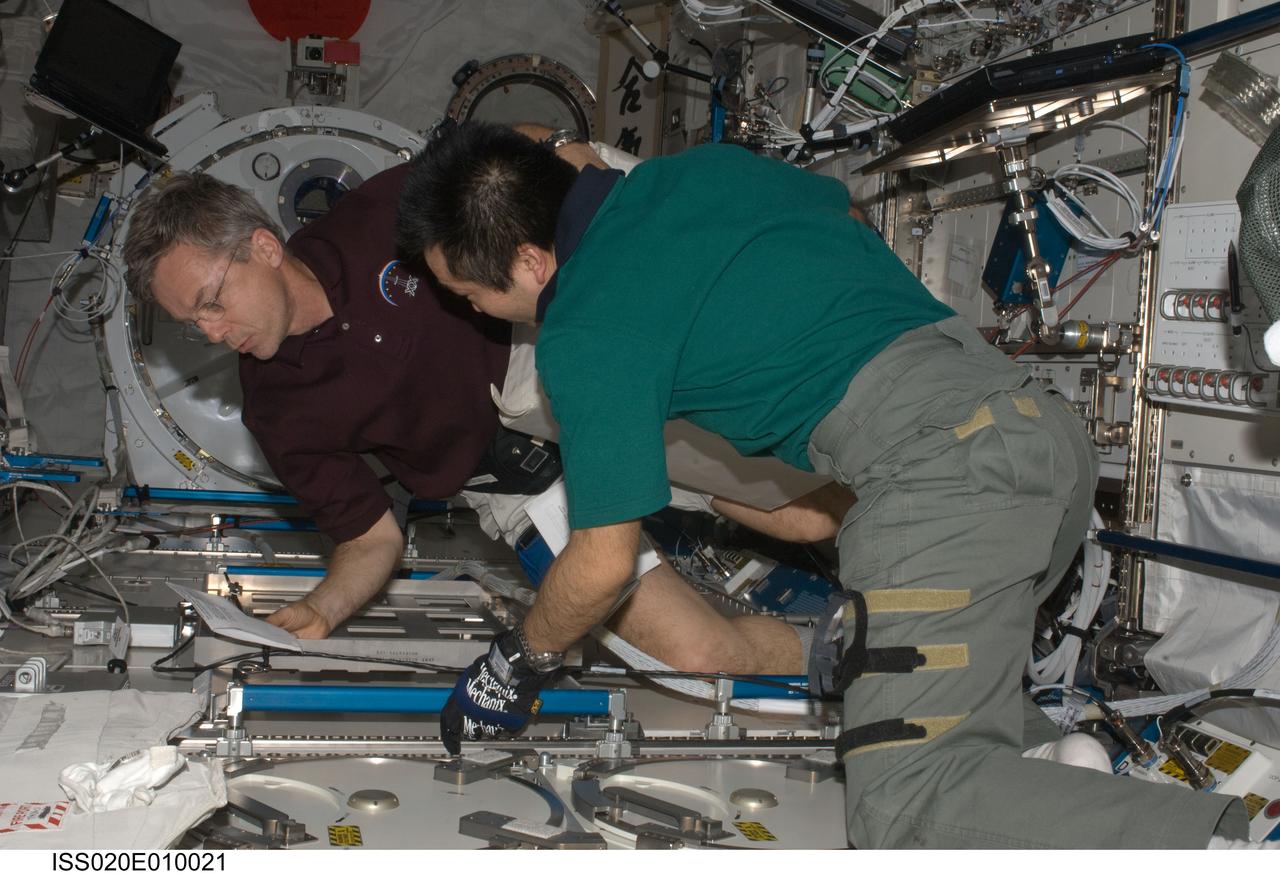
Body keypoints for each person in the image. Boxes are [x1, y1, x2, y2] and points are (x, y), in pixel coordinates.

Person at [397, 121, 1250, 848]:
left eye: (468, 292)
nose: (470, 311)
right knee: (981, 724)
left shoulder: (583, 329)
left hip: (944, 476)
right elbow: (840, 215)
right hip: (1038, 434)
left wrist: (517, 664)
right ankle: (1073, 779)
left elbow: (602, 561)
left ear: (531, 260)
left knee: (907, 803)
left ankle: (1240, 838)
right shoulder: (702, 171)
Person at [120, 144, 830, 679]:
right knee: (698, 653)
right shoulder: (278, 410)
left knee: (805, 514)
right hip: (517, 488)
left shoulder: (382, 213)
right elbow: (369, 538)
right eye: (192, 324)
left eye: (212, 302)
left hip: (556, 376)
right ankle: (850, 649)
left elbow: (506, 162)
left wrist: (565, 149)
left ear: (263, 248)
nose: (211, 333)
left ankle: (921, 556)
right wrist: (322, 608)